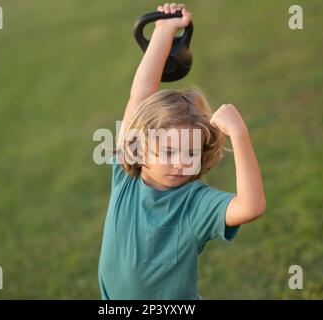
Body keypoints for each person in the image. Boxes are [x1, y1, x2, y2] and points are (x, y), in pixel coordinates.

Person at [98, 3, 266, 300]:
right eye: (169, 151)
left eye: (190, 153)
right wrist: (163, 32)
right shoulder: (126, 178)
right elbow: (141, 94)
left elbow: (251, 207)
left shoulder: (195, 203)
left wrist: (239, 135)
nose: (180, 163)